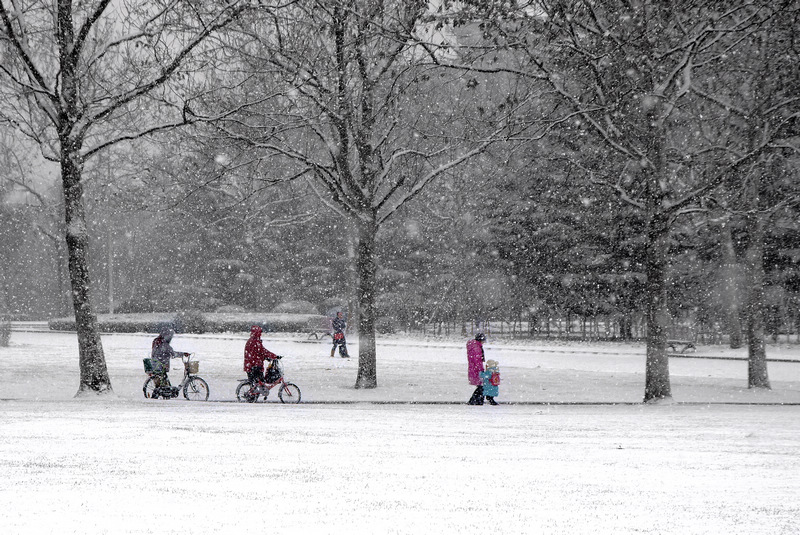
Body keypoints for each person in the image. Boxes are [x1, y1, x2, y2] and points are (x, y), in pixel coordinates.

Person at [151, 326, 185, 397]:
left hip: (155, 364)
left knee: (162, 380)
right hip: (161, 365)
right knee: (163, 379)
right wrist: (183, 354)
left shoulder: (156, 342)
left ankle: (162, 392)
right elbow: (173, 354)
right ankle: (164, 392)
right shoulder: (165, 345)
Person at [466, 332, 486, 405]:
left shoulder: (474, 346)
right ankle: (476, 400)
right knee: (482, 386)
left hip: (473, 368)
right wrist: (481, 369)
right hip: (476, 369)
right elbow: (477, 360)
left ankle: (476, 400)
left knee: (481, 386)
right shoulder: (476, 347)